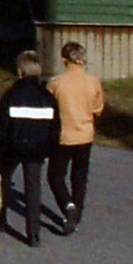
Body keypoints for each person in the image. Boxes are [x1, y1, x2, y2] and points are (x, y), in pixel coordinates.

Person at [0, 48, 59, 246]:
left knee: (3, 179)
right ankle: (33, 232)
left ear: (20, 71)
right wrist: (50, 149)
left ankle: (0, 220)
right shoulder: (48, 98)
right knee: (33, 188)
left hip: (12, 147)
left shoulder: (11, 95)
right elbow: (55, 128)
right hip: (37, 149)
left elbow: (1, 125)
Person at [46, 42, 105, 235]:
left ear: (64, 60)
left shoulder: (56, 83)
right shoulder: (93, 81)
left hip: (63, 136)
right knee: (79, 177)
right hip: (85, 134)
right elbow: (98, 108)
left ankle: (67, 206)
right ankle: (76, 214)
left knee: (55, 175)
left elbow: (47, 109)